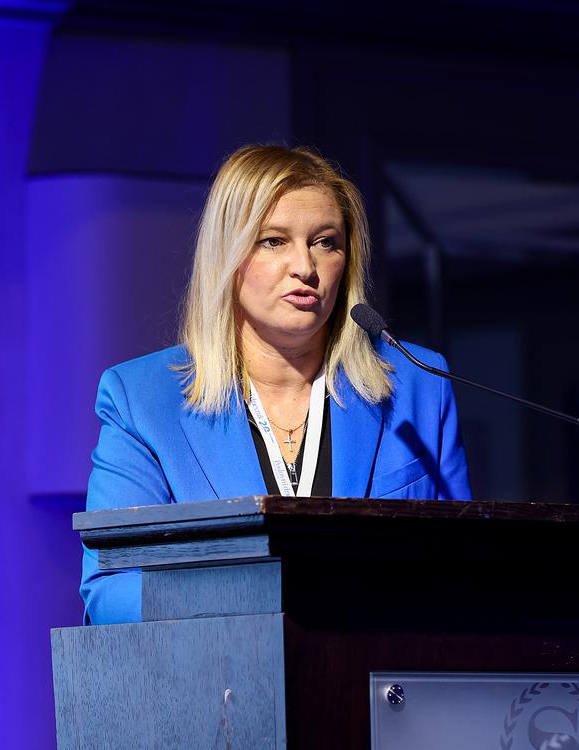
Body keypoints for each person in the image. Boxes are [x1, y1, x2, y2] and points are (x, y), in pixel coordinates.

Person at [81, 144, 471, 624]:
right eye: (273, 241)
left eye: (325, 241)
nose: (305, 267)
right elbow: (111, 593)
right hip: (221, 685)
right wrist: (261, 604)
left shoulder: (419, 386)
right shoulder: (140, 399)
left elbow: (462, 571)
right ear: (228, 254)